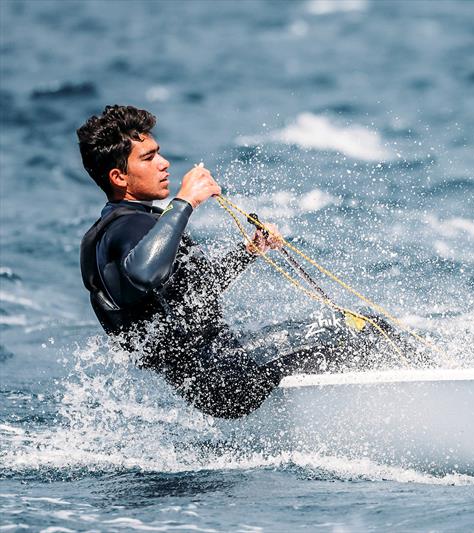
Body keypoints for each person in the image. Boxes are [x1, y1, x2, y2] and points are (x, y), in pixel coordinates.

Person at [77, 105, 388, 419]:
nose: (164, 163)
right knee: (370, 330)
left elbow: (189, 298)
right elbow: (145, 273)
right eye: (148, 158)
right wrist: (185, 202)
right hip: (229, 375)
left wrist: (248, 252)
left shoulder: (119, 230)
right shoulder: (127, 227)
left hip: (218, 377)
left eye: (158, 153)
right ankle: (427, 391)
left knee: (349, 325)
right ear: (118, 177)